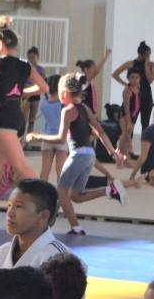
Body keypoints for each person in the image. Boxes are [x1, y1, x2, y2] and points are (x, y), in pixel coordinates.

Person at [0, 16, 50, 226]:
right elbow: (44, 88)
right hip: (16, 117)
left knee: (20, 166)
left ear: (0, 44)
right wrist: (21, 92)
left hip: (1, 117)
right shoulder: (25, 65)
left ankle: (50, 201)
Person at [24, 73, 128, 236]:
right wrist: (113, 152)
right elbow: (100, 131)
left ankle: (76, 228)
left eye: (59, 93)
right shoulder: (85, 109)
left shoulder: (68, 110)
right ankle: (109, 191)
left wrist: (37, 136)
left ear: (64, 93)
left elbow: (59, 138)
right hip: (89, 156)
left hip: (78, 155)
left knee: (61, 192)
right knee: (76, 196)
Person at [112, 41, 154, 132]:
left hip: (146, 94)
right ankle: (128, 142)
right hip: (134, 94)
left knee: (145, 123)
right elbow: (115, 74)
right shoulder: (130, 63)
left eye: (149, 55)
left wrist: (146, 66)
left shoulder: (151, 65)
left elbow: (150, 80)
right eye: (147, 55)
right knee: (131, 121)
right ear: (141, 54)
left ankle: (144, 144)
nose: (149, 57)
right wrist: (126, 85)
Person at [35, 74, 66, 181]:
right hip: (61, 138)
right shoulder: (64, 105)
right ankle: (61, 196)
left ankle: (40, 195)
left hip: (47, 137)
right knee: (60, 171)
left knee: (44, 171)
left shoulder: (44, 103)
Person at [74, 47, 111, 116]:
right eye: (93, 67)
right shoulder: (83, 78)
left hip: (90, 111)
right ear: (86, 69)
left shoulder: (88, 80)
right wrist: (106, 56)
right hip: (85, 111)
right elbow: (97, 71)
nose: (94, 69)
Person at [117, 70, 141, 161]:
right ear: (128, 79)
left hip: (133, 115)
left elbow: (138, 104)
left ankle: (124, 154)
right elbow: (126, 108)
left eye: (137, 78)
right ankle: (128, 152)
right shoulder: (127, 90)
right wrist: (129, 121)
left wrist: (133, 119)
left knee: (127, 135)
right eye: (132, 78)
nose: (134, 80)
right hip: (124, 115)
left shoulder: (138, 88)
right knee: (125, 134)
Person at [21, 46, 43, 136]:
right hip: (26, 95)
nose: (31, 60)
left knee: (32, 119)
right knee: (24, 119)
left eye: (33, 58)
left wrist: (36, 88)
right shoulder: (25, 68)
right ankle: (21, 139)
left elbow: (43, 82)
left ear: (37, 57)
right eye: (29, 58)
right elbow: (23, 83)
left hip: (36, 95)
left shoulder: (41, 69)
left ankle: (29, 139)